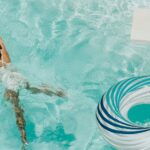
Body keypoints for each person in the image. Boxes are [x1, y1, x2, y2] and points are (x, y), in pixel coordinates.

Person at [0, 38, 65, 145]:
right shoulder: (4, 54)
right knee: (34, 88)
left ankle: (24, 137)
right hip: (18, 77)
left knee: (17, 111)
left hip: (10, 84)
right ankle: (57, 92)